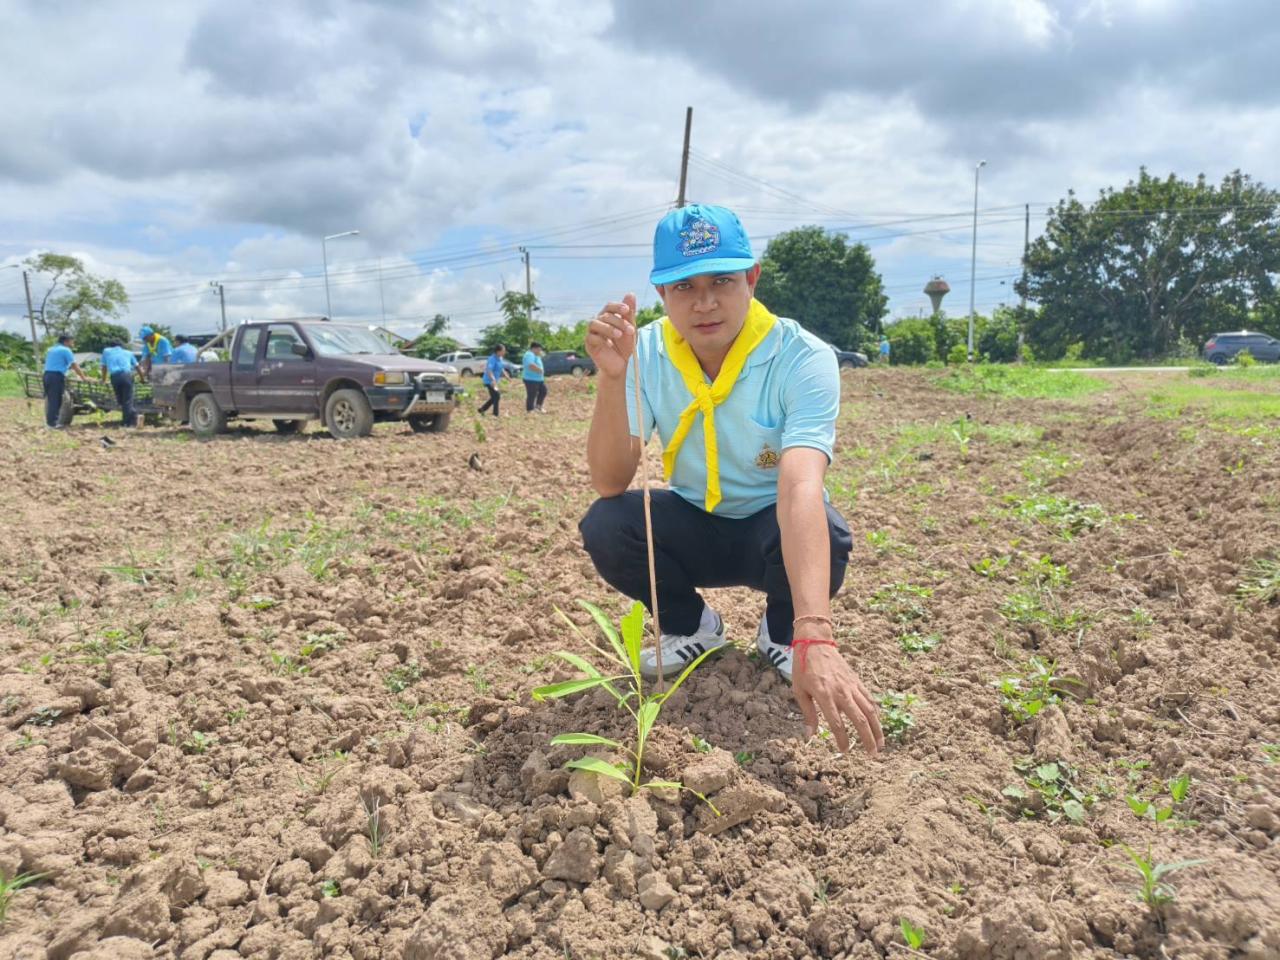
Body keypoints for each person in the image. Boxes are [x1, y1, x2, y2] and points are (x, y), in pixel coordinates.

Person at [580, 204, 884, 756]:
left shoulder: (801, 357)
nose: (705, 302)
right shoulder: (645, 353)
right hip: (695, 521)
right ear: (661, 294)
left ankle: (782, 631)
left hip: (771, 530)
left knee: (829, 531)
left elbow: (798, 486)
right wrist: (612, 378)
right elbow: (610, 479)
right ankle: (691, 627)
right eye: (683, 286)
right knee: (608, 523)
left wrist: (815, 631)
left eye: (722, 279)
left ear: (752, 278)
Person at [42, 334, 87, 428]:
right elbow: (74, 365)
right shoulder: (66, 350)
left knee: (52, 399)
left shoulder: (52, 349)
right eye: (72, 341)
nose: (73, 343)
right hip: (56, 376)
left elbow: (61, 363)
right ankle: (52, 424)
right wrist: (83, 377)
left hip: (47, 375)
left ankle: (51, 422)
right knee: (56, 400)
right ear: (66, 341)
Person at [100, 341, 139, 427]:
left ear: (111, 346)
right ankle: (131, 418)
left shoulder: (106, 351)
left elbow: (104, 367)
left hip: (115, 377)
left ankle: (127, 422)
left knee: (121, 400)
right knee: (127, 400)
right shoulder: (128, 352)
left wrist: (103, 380)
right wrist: (142, 378)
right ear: (122, 346)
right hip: (127, 376)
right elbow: (137, 366)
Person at [477, 344, 510, 417]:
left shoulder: (500, 358)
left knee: (494, 397)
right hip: (489, 381)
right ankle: (495, 414)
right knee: (497, 396)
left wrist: (506, 375)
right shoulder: (492, 359)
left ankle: (482, 409)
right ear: (498, 351)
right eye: (503, 351)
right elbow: (489, 370)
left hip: (494, 381)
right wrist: (493, 380)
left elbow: (501, 368)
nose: (504, 352)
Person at [522, 341, 548, 413]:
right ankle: (530, 410)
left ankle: (538, 407)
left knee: (543, 391)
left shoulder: (535, 355)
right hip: (531, 379)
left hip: (538, 379)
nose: (540, 351)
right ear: (534, 348)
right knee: (532, 394)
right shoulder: (529, 355)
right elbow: (531, 365)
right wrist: (540, 370)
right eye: (539, 349)